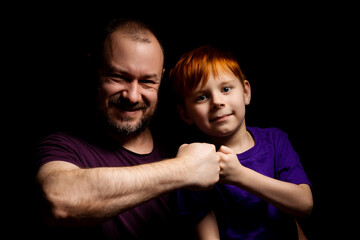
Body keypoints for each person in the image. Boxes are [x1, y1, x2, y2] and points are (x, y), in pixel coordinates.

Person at [33, 18, 221, 239]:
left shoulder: (180, 143)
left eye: (147, 82)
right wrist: (184, 169)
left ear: (161, 77)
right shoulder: (64, 145)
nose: (132, 96)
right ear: (96, 70)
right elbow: (57, 199)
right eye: (118, 77)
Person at [169, 45, 313, 239]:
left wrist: (239, 175)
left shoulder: (275, 140)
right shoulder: (195, 164)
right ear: (186, 113)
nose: (217, 102)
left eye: (226, 89)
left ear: (245, 92)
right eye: (202, 97)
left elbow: (304, 204)